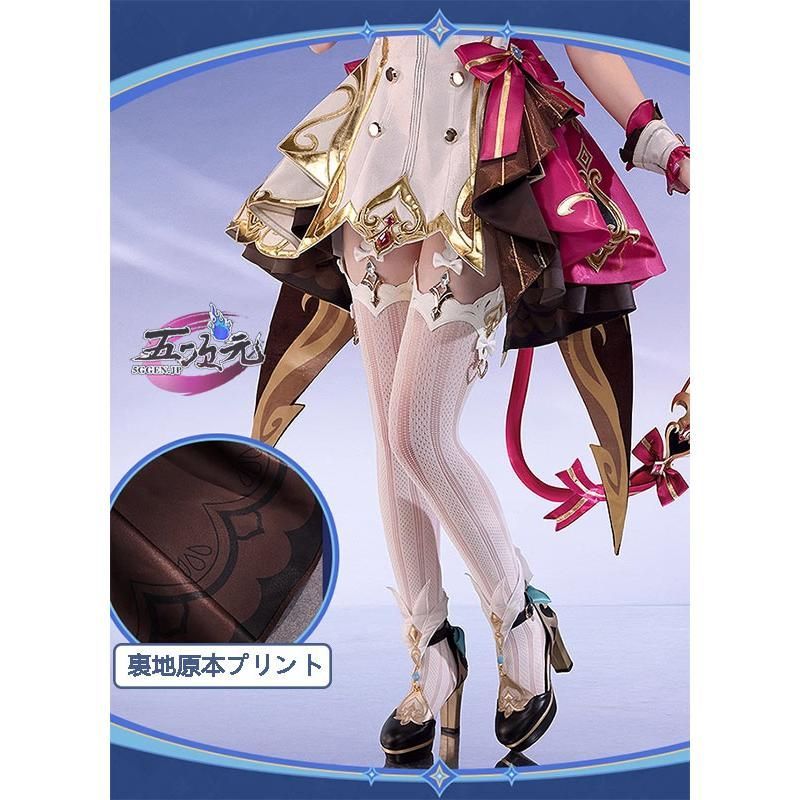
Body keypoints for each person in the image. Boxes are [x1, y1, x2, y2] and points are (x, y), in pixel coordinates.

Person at [227, 33, 689, 764]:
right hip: (379, 152)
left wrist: (658, 140)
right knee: (390, 440)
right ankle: (431, 649)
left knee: (418, 433)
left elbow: (585, 34)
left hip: (484, 153)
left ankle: (517, 613)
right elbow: (317, 37)